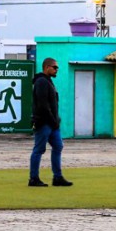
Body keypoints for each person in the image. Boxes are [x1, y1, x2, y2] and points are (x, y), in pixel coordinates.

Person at [29, 58, 72, 187]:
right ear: (47, 67)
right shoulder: (42, 82)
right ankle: (33, 178)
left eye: (57, 67)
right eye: (54, 67)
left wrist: (55, 121)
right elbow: (43, 105)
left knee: (58, 146)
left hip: (52, 123)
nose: (56, 69)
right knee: (39, 149)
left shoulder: (48, 82)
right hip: (43, 122)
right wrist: (53, 121)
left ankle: (57, 177)